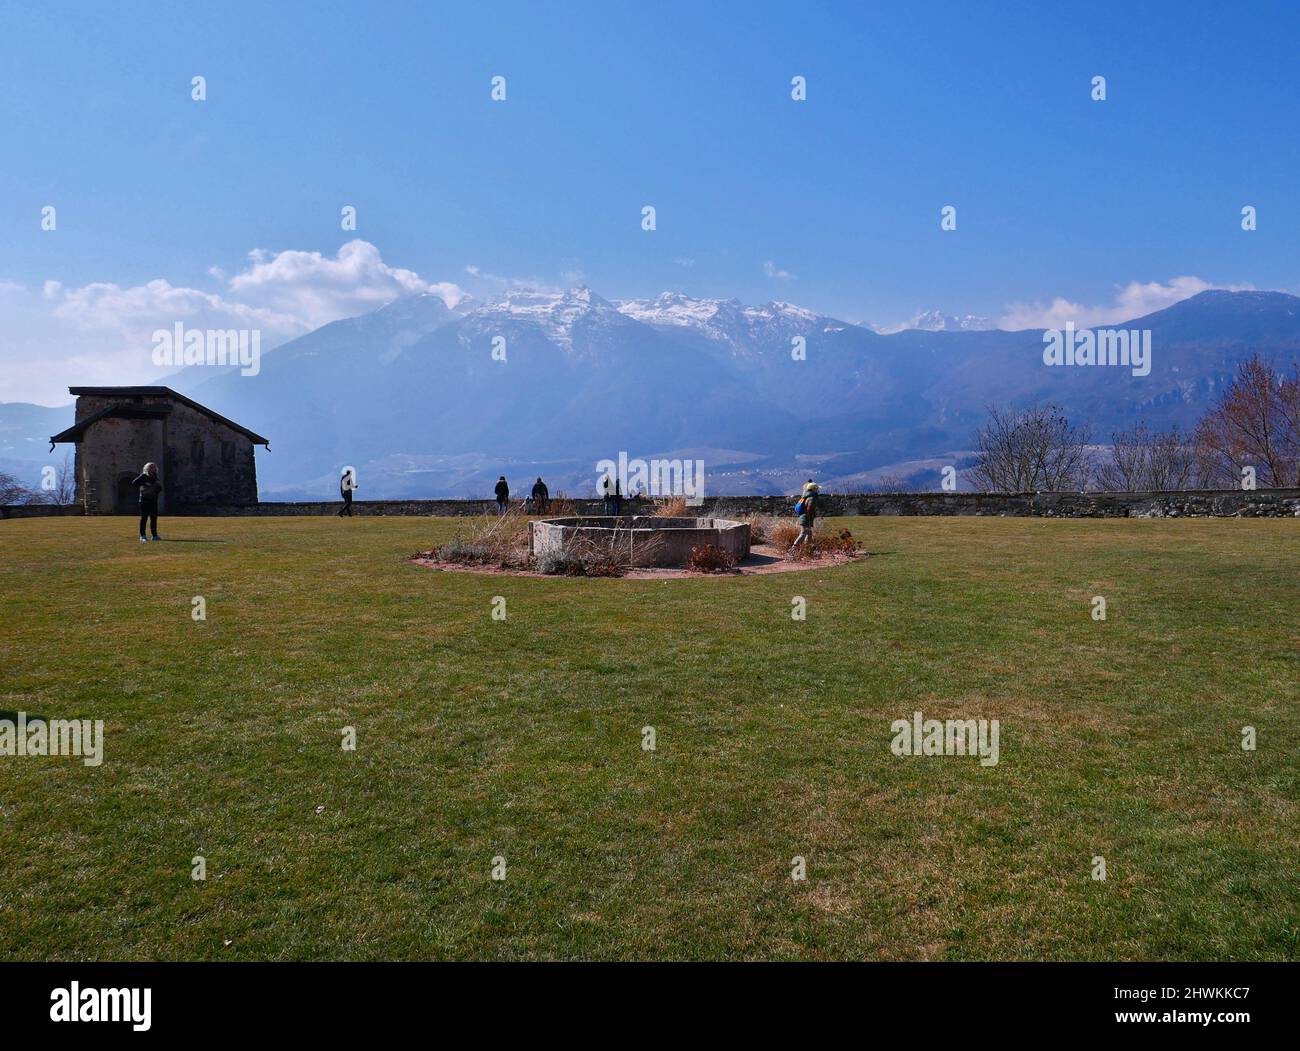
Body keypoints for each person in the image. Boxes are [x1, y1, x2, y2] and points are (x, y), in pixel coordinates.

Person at [131, 462, 163, 542]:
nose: (153, 469)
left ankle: (154, 536)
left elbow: (159, 488)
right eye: (151, 467)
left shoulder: (155, 477)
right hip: (144, 500)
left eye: (154, 467)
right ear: (147, 468)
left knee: (154, 519)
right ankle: (142, 536)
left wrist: (156, 488)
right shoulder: (143, 476)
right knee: (144, 518)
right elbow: (134, 483)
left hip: (153, 500)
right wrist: (143, 486)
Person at [790, 479, 820, 553]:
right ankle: (793, 549)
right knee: (803, 533)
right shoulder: (812, 498)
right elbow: (809, 509)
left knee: (809, 534)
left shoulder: (806, 496)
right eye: (817, 489)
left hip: (804, 517)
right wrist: (813, 515)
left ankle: (807, 549)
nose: (818, 490)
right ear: (814, 489)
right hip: (806, 518)